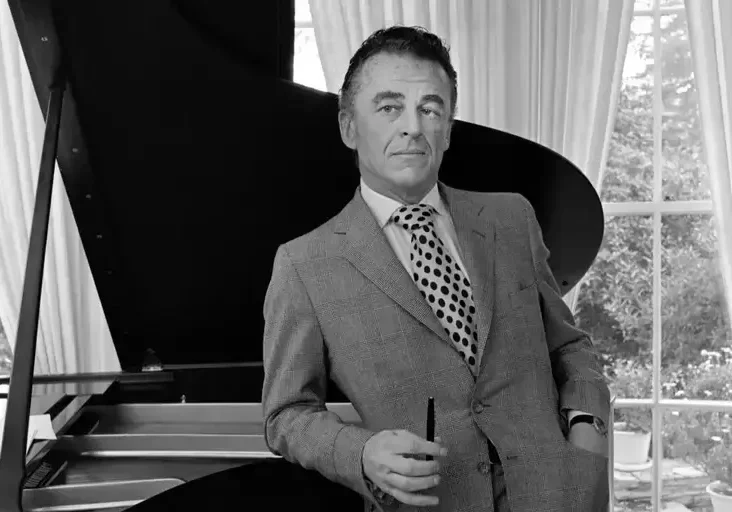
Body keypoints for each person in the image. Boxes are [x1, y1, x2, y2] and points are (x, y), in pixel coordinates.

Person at [262, 25, 611, 512]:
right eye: (389, 108)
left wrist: (588, 426)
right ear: (348, 127)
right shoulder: (303, 265)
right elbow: (287, 414)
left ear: (448, 128)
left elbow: (569, 346)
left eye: (431, 108)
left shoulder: (512, 219)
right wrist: (360, 452)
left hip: (561, 498)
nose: (413, 126)